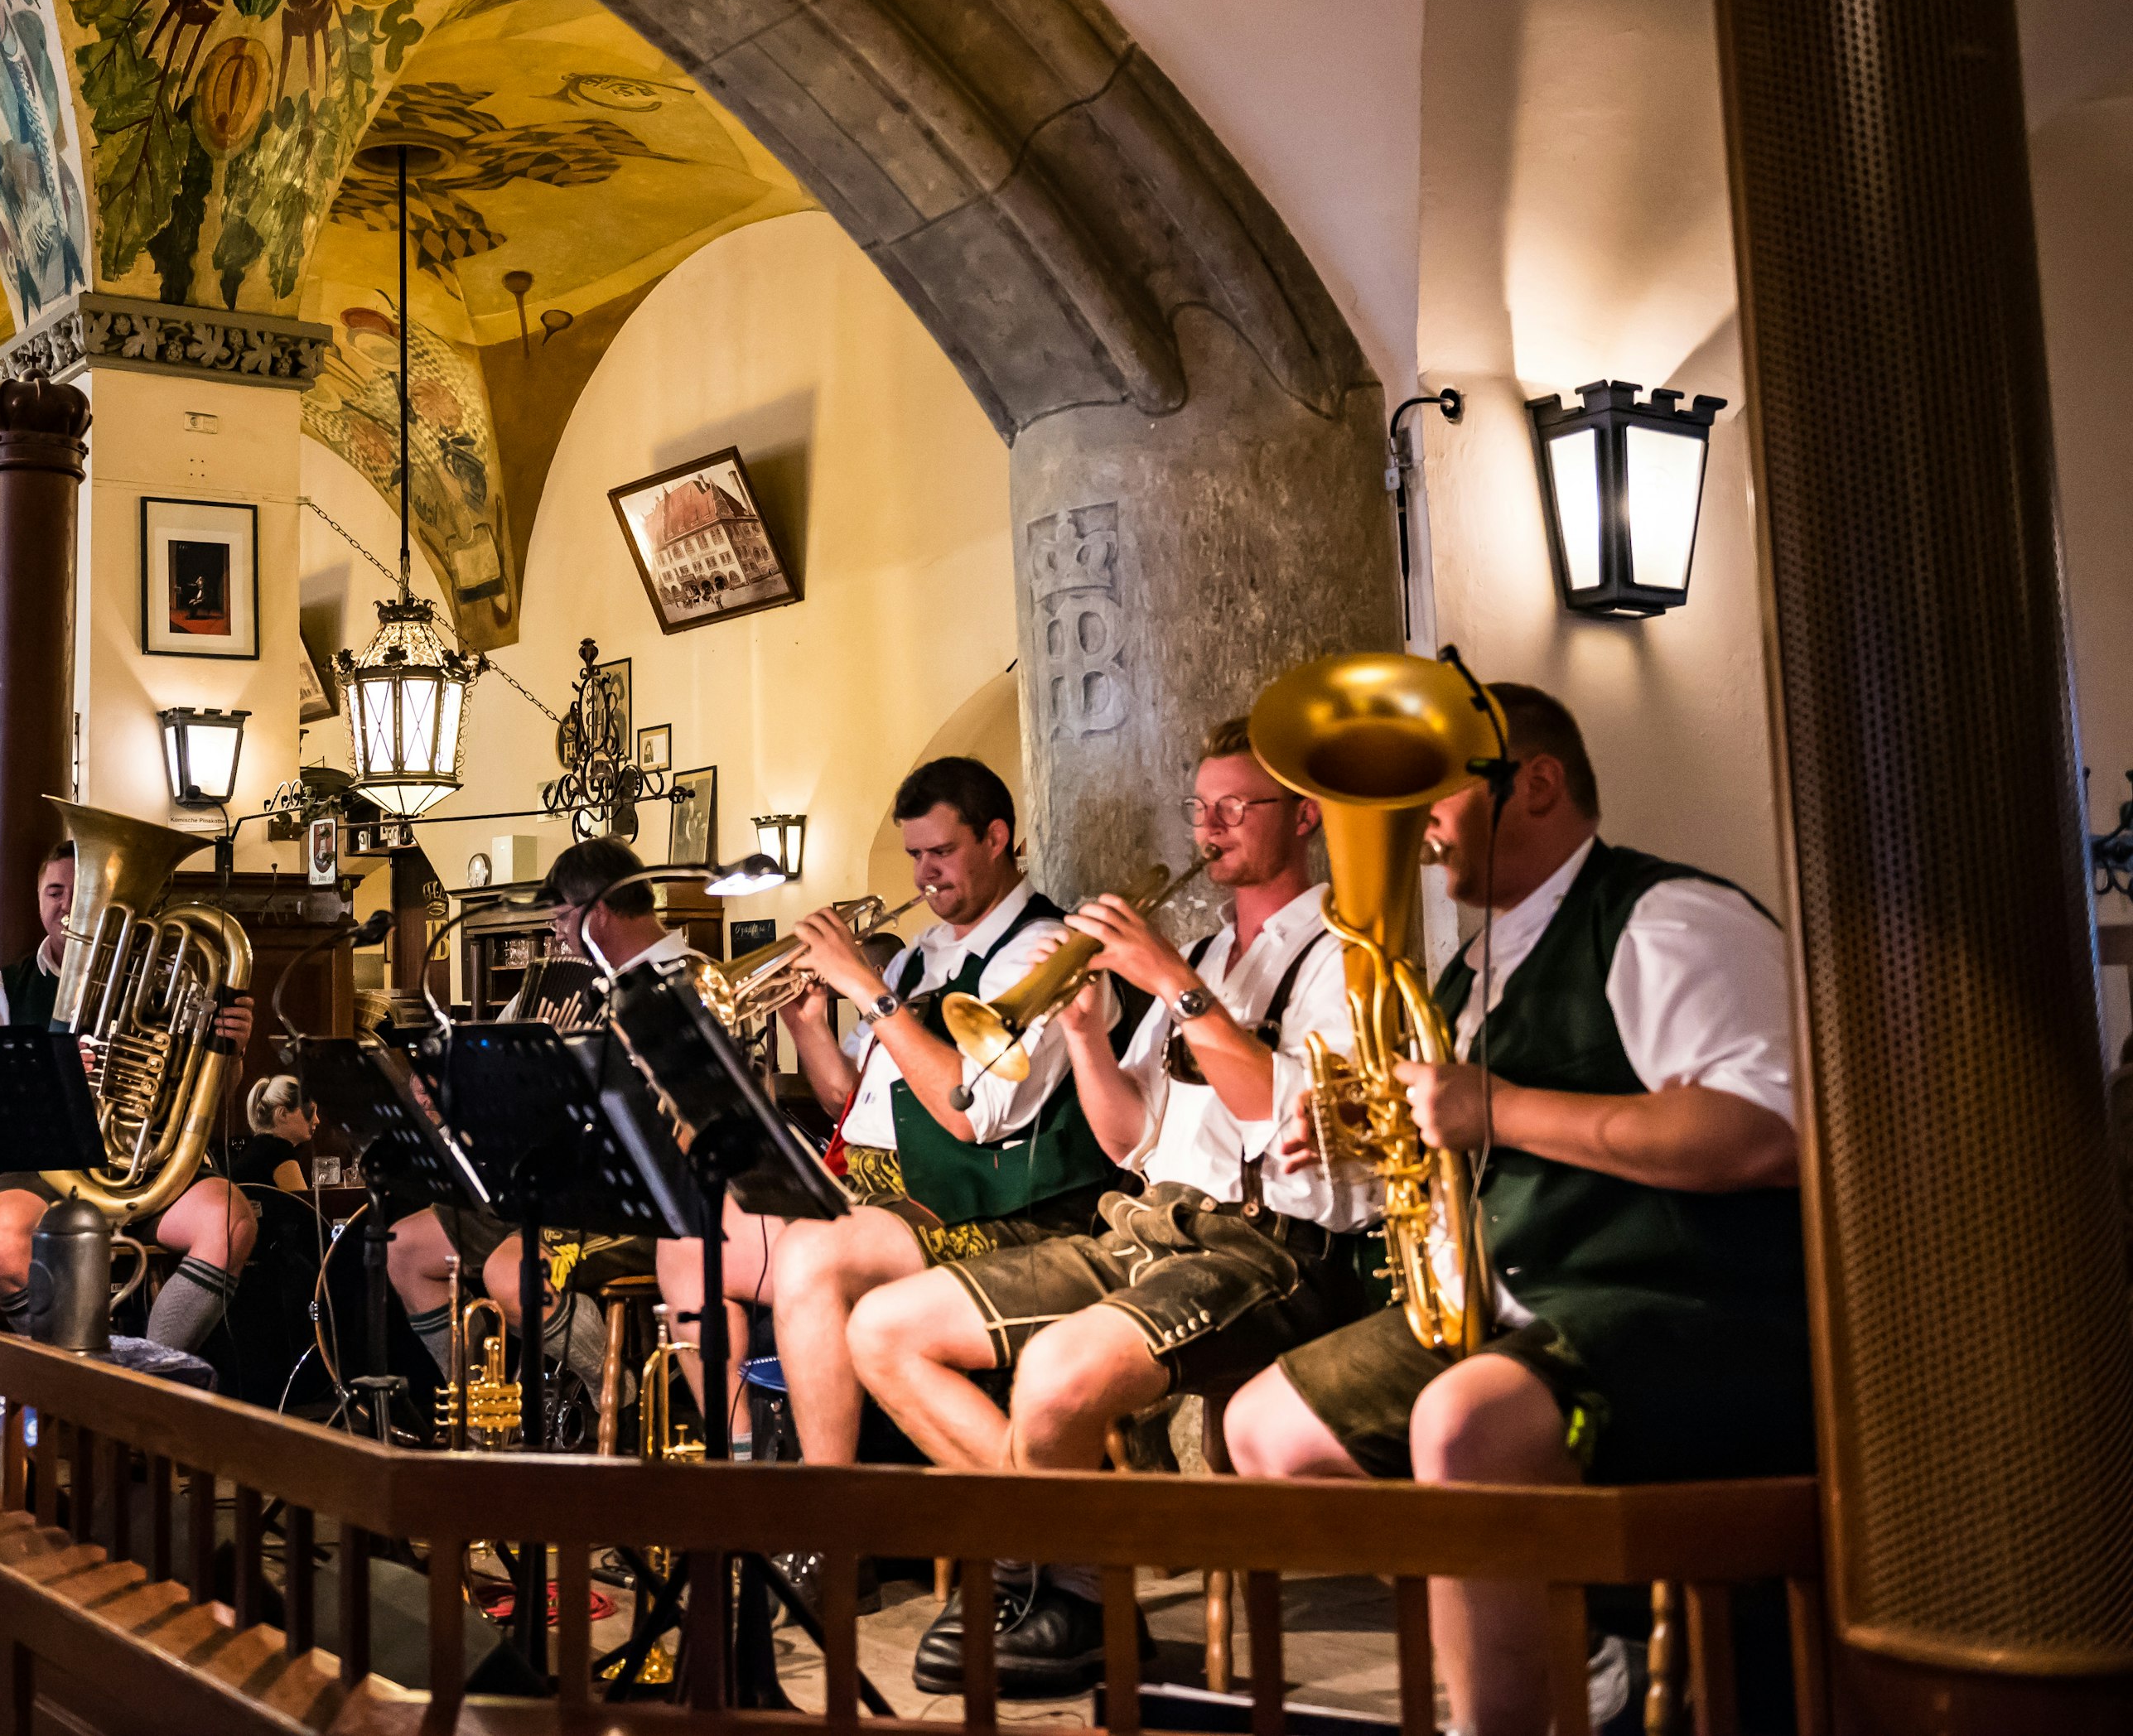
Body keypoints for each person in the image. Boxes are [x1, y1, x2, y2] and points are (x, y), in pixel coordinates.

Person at [1221, 683, 1807, 1736]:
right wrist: (1357, 1125)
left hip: (1683, 1306)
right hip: (1514, 1307)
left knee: (1462, 1422)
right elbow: (1455, 1130)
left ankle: (1509, 1710)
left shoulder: (1666, 917)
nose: (1416, 824)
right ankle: (1568, 1654)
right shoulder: (1472, 967)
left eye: (1434, 789)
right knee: (1264, 1430)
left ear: (1535, 783)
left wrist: (1504, 1107)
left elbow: (1768, 1133)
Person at [847, 716, 1368, 1695]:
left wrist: (1171, 984)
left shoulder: (1345, 954)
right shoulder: (1211, 949)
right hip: (1148, 1223)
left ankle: (1052, 1588)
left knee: (1055, 1367)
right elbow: (1128, 1136)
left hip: (1272, 1248)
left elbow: (1280, 1110)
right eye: (1200, 808)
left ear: (1301, 816)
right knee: (882, 1329)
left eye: (1233, 808)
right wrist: (1086, 1034)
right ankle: (1072, 1575)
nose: (1209, 828)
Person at [727, 758, 1118, 1482]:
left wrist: (871, 991)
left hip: (994, 1203)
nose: (923, 875)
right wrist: (809, 1025)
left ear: (997, 837)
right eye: (913, 855)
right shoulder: (916, 958)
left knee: (810, 1254)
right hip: (890, 1187)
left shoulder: (1044, 950)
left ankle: (832, 1519)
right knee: (707, 1233)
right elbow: (852, 1102)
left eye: (941, 851)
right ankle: (744, 1467)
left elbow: (972, 1116)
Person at [390, 836, 671, 1403]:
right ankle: (475, 1414)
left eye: (564, 918)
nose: (559, 935)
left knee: (509, 1275)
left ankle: (614, 1387)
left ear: (599, 913)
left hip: (634, 1198)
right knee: (404, 1247)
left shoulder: (683, 981)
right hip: (553, 1185)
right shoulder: (596, 982)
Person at [0, 840, 260, 1356]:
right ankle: (72, 1371)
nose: (67, 905)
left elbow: (206, 1093)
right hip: (41, 1167)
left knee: (232, 1221)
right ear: (39, 902)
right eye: (55, 892)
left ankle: (146, 1372)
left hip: (146, 1163)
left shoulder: (168, 978)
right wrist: (49, 1079)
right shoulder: (4, 988)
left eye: (81, 893)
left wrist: (228, 1051)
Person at [234, 1074, 312, 1195]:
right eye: (309, 1112)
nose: (317, 1120)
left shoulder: (260, 1146)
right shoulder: (279, 1150)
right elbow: (304, 1209)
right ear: (283, 1114)